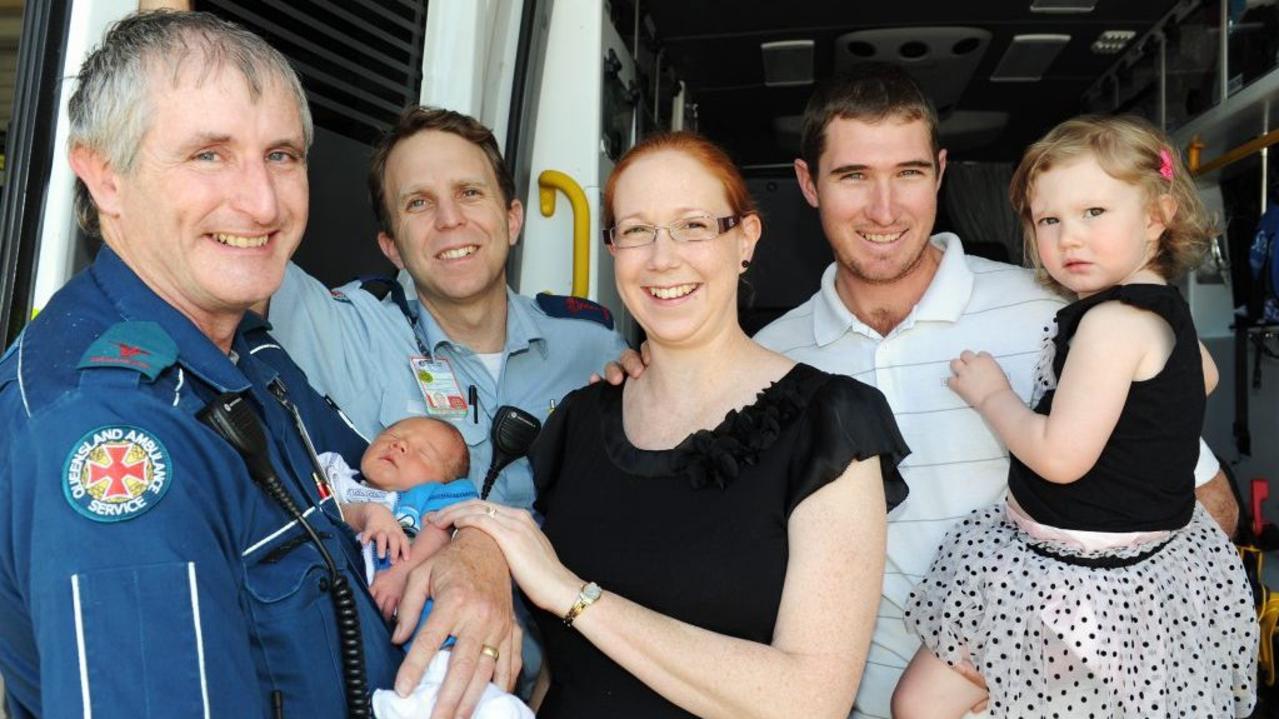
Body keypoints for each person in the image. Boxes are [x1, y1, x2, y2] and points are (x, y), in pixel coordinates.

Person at [604, 61, 1237, 719]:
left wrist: (1067, 662)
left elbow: (1205, 506)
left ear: (938, 172)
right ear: (807, 183)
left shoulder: (1060, 313)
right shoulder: (766, 361)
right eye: (852, 176)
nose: (883, 209)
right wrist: (632, 382)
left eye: (907, 173)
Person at [0, 11, 516, 719]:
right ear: (104, 177)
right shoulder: (113, 434)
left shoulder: (245, 343)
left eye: (281, 155)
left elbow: (398, 481)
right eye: (208, 155)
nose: (264, 202)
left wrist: (481, 550)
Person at [428, 131, 910, 718]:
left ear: (746, 240)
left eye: (693, 226)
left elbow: (808, 702)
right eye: (636, 231)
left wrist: (572, 596)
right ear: (614, 250)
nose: (663, 258)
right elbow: (561, 673)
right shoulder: (580, 419)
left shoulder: (831, 425)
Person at [894, 115, 1257, 718]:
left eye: (1094, 213)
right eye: (1049, 220)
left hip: (1066, 574)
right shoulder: (1165, 310)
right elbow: (1205, 378)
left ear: (1155, 217)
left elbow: (1059, 459)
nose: (1070, 238)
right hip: (1146, 565)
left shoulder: (1111, 324)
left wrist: (992, 396)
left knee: (918, 706)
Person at [266, 107, 629, 513]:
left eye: (469, 193)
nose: (450, 219)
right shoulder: (342, 330)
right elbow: (235, 251)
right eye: (419, 203)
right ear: (392, 248)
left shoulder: (594, 346)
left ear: (512, 220)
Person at [323, 417, 534, 718]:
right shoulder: (342, 478)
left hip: (427, 613)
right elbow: (331, 511)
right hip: (361, 618)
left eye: (422, 452)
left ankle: (489, 705)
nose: (399, 444)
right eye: (392, 435)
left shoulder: (430, 496)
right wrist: (372, 513)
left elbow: (437, 531)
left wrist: (402, 573)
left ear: (444, 479)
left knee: (449, 655)